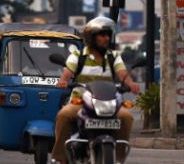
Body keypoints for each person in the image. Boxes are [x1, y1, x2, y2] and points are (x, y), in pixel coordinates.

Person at [51, 16, 140, 164]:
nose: (106, 38)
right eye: (102, 35)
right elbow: (67, 72)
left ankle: (118, 158)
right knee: (64, 115)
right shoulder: (78, 56)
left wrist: (131, 83)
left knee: (126, 117)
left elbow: (122, 74)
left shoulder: (113, 56)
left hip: (109, 102)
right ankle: (61, 157)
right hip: (81, 101)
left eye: (108, 35)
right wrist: (63, 81)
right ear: (91, 37)